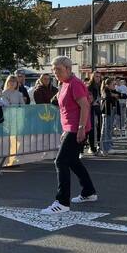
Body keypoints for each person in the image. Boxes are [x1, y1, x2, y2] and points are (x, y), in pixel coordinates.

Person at [41, 56, 97, 215]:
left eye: (57, 69)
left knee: (60, 161)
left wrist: (80, 128)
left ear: (68, 69)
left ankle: (62, 202)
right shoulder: (64, 83)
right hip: (71, 128)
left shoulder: (75, 84)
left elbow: (85, 106)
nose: (54, 72)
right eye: (53, 69)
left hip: (76, 128)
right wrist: (66, 129)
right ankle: (89, 192)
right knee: (72, 161)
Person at [99, 77, 120, 156]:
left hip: (111, 111)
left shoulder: (112, 91)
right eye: (113, 84)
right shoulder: (105, 90)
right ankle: (104, 148)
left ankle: (108, 146)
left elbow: (122, 95)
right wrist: (113, 95)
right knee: (105, 130)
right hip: (106, 112)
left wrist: (115, 94)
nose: (114, 85)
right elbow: (107, 97)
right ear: (108, 85)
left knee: (109, 129)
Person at [87, 72, 103, 155]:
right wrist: (93, 102)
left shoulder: (100, 85)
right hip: (91, 109)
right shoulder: (90, 86)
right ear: (93, 77)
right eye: (96, 76)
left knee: (100, 127)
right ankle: (91, 147)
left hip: (98, 108)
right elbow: (88, 97)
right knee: (91, 128)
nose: (98, 78)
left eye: (99, 77)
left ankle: (99, 145)